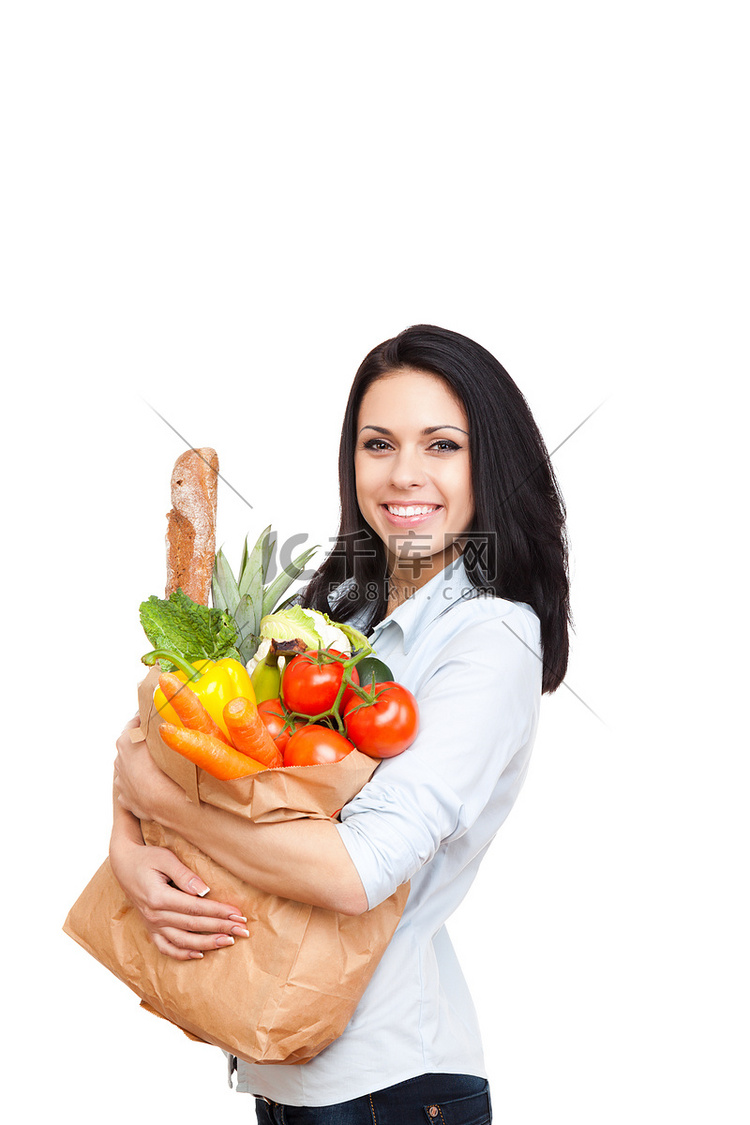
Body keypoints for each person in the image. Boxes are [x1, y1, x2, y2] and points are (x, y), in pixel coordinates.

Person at [112, 324, 570, 1123]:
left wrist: (161, 799)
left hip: (391, 1081)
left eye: (442, 445)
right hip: (283, 1063)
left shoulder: (489, 637)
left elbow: (355, 872)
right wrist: (129, 849)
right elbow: (170, 749)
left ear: (488, 461)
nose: (404, 474)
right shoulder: (332, 615)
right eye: (378, 443)